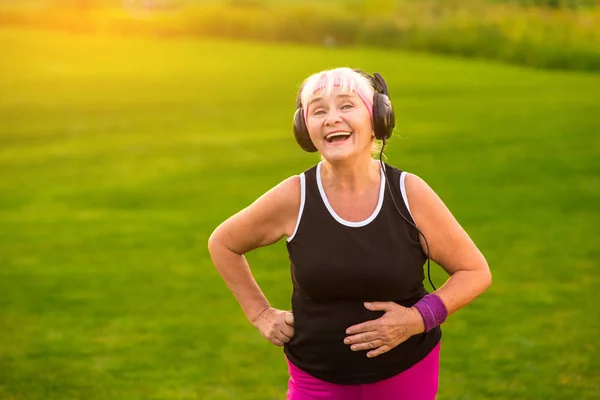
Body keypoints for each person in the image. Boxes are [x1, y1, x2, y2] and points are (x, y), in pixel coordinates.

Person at [207, 67, 492, 400]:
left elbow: (474, 272)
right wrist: (260, 313)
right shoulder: (294, 197)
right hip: (315, 378)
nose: (332, 118)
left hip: (406, 373)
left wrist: (418, 319)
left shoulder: (409, 193)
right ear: (304, 129)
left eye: (346, 106)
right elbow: (223, 243)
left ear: (378, 119)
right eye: (318, 110)